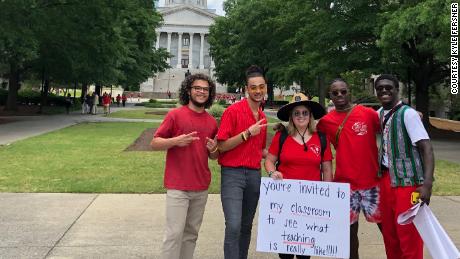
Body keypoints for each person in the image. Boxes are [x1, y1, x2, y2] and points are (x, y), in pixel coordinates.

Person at [151, 73, 218, 259]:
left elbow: (214, 156)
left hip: (201, 186)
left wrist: (214, 150)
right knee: (173, 235)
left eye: (205, 89)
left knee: (191, 235)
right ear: (189, 91)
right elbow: (154, 142)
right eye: (197, 88)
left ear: (209, 93)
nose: (201, 92)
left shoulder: (212, 122)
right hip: (178, 186)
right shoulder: (175, 115)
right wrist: (175, 141)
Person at [316, 78, 382, 259]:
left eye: (343, 91)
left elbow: (390, 125)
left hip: (373, 184)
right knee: (349, 237)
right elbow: (304, 131)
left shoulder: (368, 114)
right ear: (330, 95)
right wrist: (282, 128)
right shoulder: (326, 122)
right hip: (345, 186)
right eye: (335, 92)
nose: (339, 95)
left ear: (349, 92)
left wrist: (412, 115)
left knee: (388, 230)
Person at [374, 74, 434, 259]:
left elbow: (427, 149)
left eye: (388, 87)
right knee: (390, 236)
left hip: (408, 183)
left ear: (396, 89)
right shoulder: (379, 114)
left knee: (408, 235)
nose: (384, 91)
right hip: (385, 180)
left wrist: (427, 184)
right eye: (380, 88)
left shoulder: (408, 114)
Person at [265, 96, 332, 259]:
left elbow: (327, 169)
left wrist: (328, 195)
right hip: (285, 201)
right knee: (286, 252)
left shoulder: (321, 138)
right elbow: (269, 161)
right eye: (296, 113)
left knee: (305, 252)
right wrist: (272, 172)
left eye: (305, 113)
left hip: (311, 203)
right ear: (291, 117)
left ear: (310, 116)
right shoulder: (282, 136)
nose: (301, 116)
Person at [217, 65, 268, 259]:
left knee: (246, 226)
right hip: (233, 174)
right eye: (253, 87)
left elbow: (260, 150)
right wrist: (247, 134)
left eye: (261, 87)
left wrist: (279, 154)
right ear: (246, 89)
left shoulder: (262, 117)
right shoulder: (233, 111)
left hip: (254, 175)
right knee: (234, 225)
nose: (257, 91)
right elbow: (221, 145)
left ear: (265, 88)